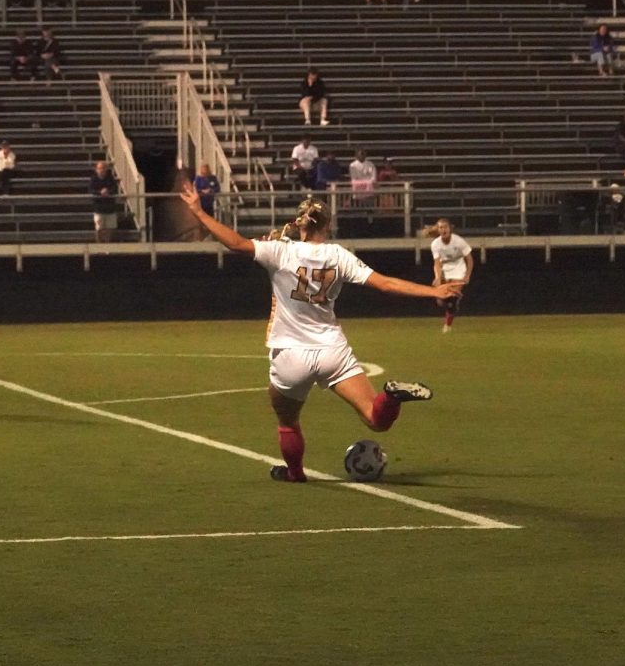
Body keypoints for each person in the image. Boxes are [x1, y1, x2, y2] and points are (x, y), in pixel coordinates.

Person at [178, 188, 463, 484]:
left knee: (287, 420)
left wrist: (199, 212)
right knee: (375, 419)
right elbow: (386, 284)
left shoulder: (281, 250)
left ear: (300, 224)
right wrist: (433, 291)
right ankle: (391, 397)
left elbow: (235, 243)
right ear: (327, 226)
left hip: (290, 354)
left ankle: (295, 472)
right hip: (331, 350)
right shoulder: (337, 255)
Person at [427, 219, 473, 334]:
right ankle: (455, 298)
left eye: (445, 227)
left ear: (450, 228)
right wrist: (437, 277)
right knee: (441, 301)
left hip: (458, 268)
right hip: (445, 270)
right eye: (441, 228)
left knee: (451, 299)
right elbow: (437, 263)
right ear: (438, 230)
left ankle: (447, 326)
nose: (443, 230)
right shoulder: (435, 244)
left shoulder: (459, 241)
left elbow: (470, 259)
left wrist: (467, 275)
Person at [89, 160, 119, 243]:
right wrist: (100, 192)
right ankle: (99, 245)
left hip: (110, 207)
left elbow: (115, 189)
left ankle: (107, 246)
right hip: (99, 208)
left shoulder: (110, 178)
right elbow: (91, 190)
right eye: (100, 168)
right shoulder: (93, 179)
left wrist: (108, 191)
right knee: (99, 228)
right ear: (96, 169)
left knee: (110, 228)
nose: (102, 170)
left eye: (104, 168)